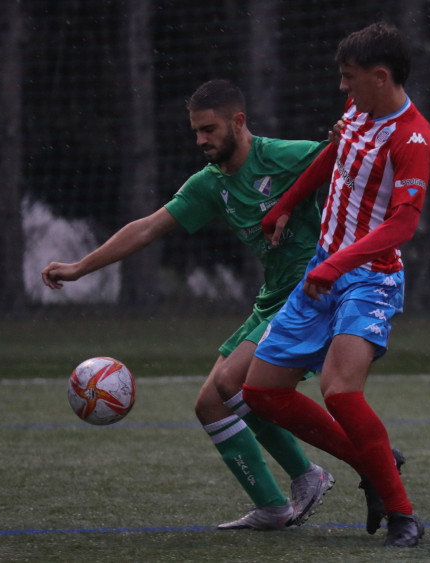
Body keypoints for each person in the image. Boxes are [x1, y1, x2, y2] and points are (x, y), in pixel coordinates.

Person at [42, 79, 334, 530]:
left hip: (310, 292)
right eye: (195, 131)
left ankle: (310, 475)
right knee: (210, 404)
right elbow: (146, 228)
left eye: (209, 129)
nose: (200, 140)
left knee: (233, 383)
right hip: (272, 296)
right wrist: (81, 268)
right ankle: (275, 506)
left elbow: (342, 163)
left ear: (239, 122)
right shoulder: (210, 182)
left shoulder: (283, 156)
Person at [242, 22, 430, 548]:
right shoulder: (359, 111)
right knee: (261, 391)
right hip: (325, 268)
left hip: (370, 278)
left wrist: (337, 264)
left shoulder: (412, 137)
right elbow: (334, 155)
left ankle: (403, 516)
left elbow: (402, 225)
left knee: (340, 391)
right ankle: (375, 465)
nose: (342, 88)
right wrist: (283, 206)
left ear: (380, 76)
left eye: (349, 78)